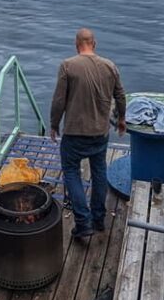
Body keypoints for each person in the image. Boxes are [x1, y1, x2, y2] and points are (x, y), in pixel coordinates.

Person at [50, 29, 126, 239]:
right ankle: (99, 219)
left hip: (74, 133)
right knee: (99, 171)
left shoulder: (68, 65)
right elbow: (120, 95)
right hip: (100, 133)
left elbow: (58, 100)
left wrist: (54, 124)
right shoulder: (109, 66)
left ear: (77, 44)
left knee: (72, 171)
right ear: (95, 43)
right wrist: (121, 119)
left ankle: (83, 222)